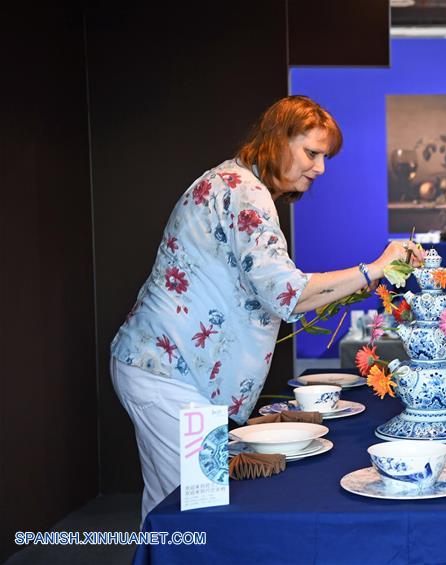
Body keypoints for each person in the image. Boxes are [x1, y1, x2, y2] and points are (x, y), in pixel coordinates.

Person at [111, 95, 423, 521]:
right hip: (169, 374)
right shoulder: (245, 194)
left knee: (176, 505)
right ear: (277, 140)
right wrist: (377, 268)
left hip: (173, 370)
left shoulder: (233, 182)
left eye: (324, 156)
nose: (320, 168)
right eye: (311, 153)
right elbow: (289, 295)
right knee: (192, 508)